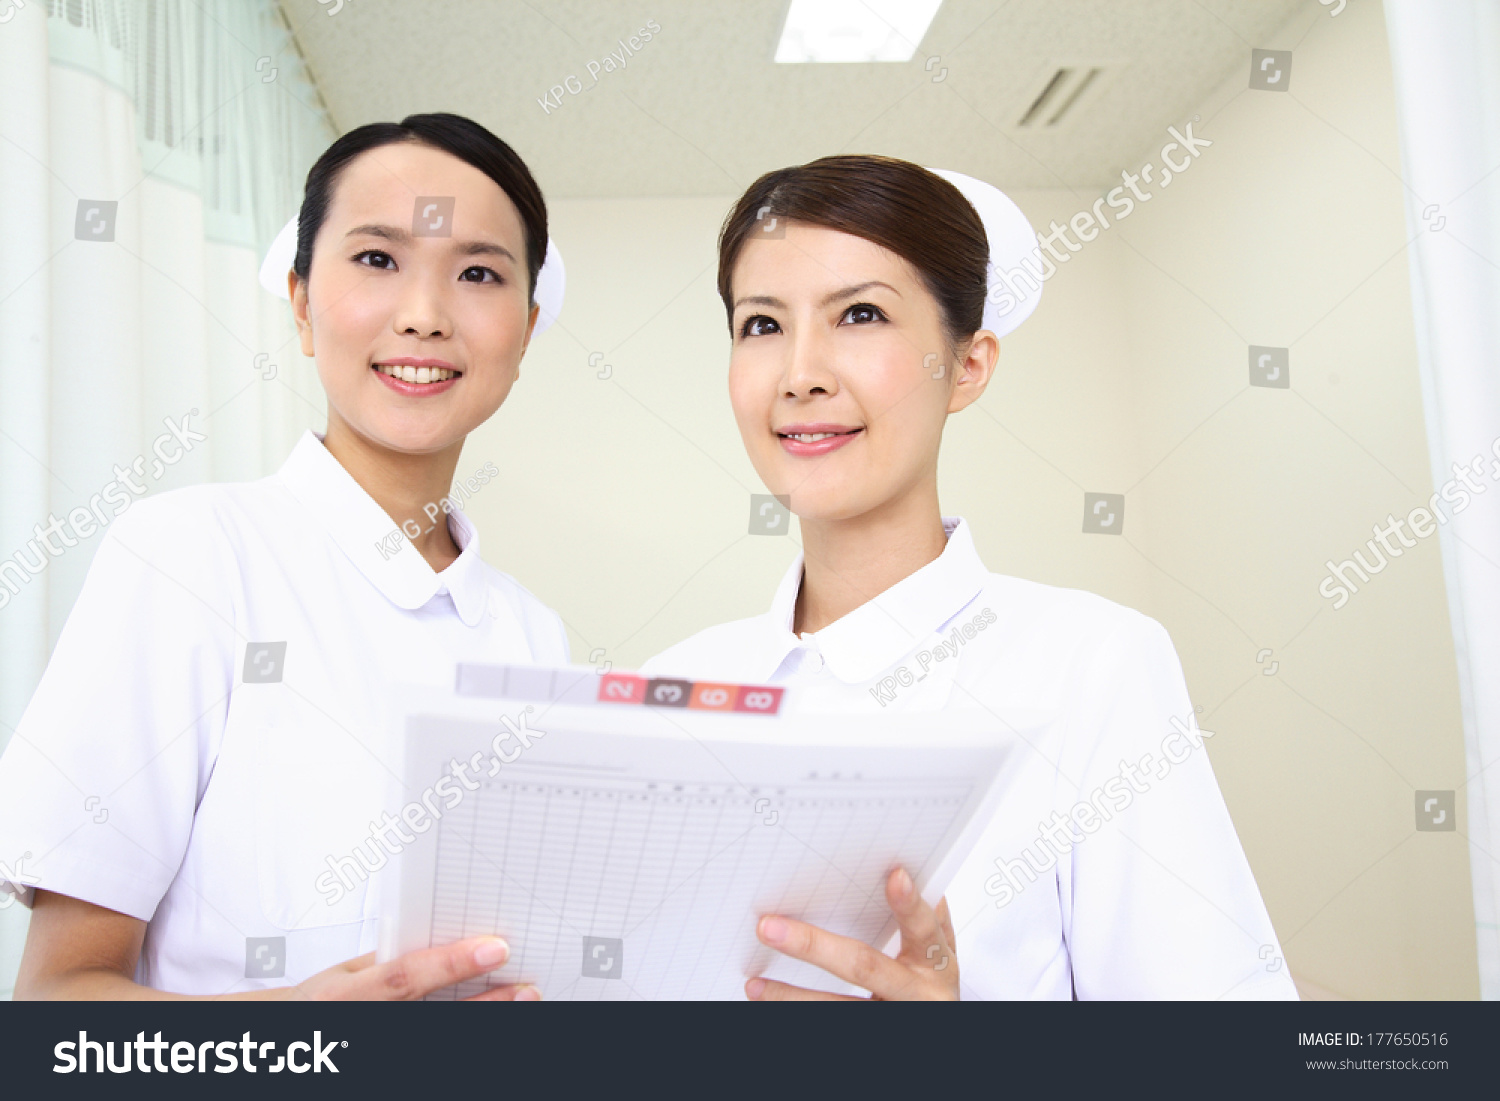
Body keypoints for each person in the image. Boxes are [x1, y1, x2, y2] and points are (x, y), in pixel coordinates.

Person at [643, 154, 1297, 1001]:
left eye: (861, 314)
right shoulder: (672, 687)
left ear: (970, 365)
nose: (801, 373)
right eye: (762, 325)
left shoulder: (1093, 666)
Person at [0, 113, 565, 1001]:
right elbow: (52, 1008)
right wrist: (295, 1036)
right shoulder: (187, 558)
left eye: (479, 273)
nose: (423, 315)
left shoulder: (535, 634)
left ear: (526, 330)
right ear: (301, 302)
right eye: (377, 260)